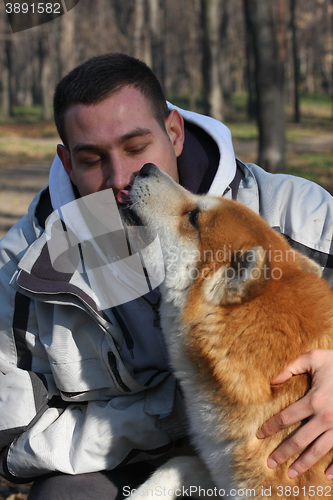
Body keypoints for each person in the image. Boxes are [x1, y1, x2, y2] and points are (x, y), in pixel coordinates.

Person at [0, 53, 333, 499]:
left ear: (174, 132)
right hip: (131, 467)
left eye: (137, 148)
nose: (120, 178)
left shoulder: (298, 214)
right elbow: (12, 437)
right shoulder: (22, 264)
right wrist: (188, 413)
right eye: (92, 159)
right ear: (65, 161)